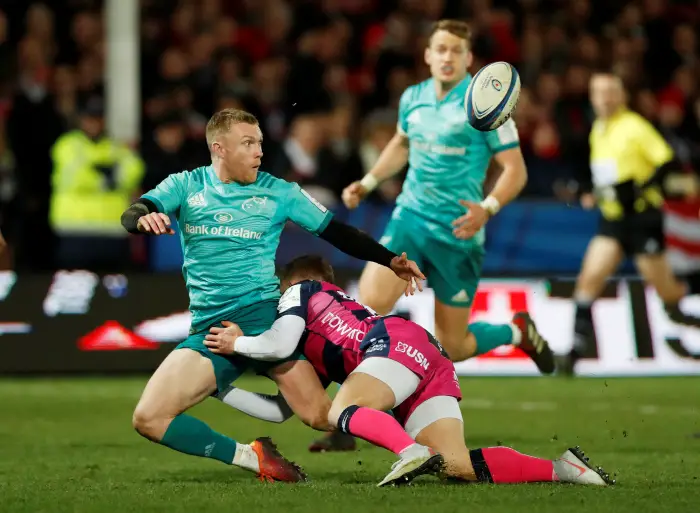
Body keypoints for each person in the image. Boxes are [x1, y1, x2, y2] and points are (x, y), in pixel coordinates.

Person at [120, 108, 425, 482]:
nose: (259, 152)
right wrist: (142, 218)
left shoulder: (279, 192)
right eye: (248, 143)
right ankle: (254, 456)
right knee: (149, 419)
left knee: (318, 415)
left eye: (260, 142)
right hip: (211, 330)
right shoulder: (186, 185)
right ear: (220, 148)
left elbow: (337, 232)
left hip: (266, 318)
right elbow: (135, 210)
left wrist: (389, 259)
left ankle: (418, 447)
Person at [316, 19, 554, 451]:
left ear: (469, 59)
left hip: (459, 233)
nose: (447, 57)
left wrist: (488, 208)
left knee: (455, 344)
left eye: (456, 51)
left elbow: (515, 171)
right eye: (440, 49)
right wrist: (368, 182)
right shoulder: (413, 97)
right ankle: (347, 422)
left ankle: (516, 332)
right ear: (427, 54)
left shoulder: (485, 104)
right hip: (409, 220)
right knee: (365, 311)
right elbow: (401, 145)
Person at [206, 255, 615, 487]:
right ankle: (563, 469)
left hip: (393, 344)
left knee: (340, 411)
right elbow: (283, 409)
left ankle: (409, 452)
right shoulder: (325, 339)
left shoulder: (300, 291)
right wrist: (219, 391)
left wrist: (235, 344)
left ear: (294, 284)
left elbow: (276, 343)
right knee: (457, 466)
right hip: (425, 357)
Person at [560, 72, 700, 374]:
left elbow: (666, 162)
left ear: (622, 95)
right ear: (593, 98)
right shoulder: (598, 129)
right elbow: (606, 175)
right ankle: (575, 351)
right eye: (600, 92)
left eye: (611, 91)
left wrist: (639, 188)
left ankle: (695, 282)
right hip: (612, 220)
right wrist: (594, 194)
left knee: (669, 292)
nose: (606, 98)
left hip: (641, 219)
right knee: (589, 278)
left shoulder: (635, 126)